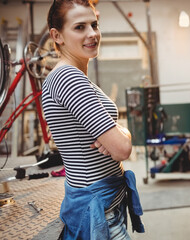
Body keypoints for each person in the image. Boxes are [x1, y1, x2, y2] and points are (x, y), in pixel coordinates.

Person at [42, 0, 144, 239]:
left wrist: (120, 132)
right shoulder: (68, 78)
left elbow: (120, 139)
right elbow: (121, 149)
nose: (92, 34)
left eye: (94, 25)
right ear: (57, 35)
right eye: (79, 27)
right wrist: (120, 135)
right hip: (97, 206)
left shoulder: (75, 76)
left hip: (103, 200)